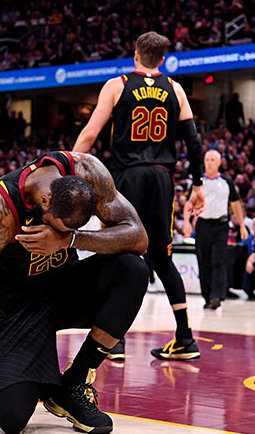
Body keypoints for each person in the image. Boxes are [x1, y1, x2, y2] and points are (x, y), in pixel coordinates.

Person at [0, 151, 149, 434]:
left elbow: (139, 237)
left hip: (65, 287)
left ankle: (74, 381)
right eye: (62, 228)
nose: (66, 234)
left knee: (133, 270)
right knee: (12, 418)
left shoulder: (87, 171)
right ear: (45, 201)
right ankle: (39, 374)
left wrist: (70, 239)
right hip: (16, 306)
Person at [72, 31, 205, 361]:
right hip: (161, 177)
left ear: (135, 55)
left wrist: (68, 166)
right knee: (161, 256)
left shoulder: (117, 85)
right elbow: (194, 142)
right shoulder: (175, 89)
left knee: (116, 251)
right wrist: (198, 184)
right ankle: (185, 336)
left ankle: (113, 340)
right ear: (162, 59)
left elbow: (90, 133)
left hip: (126, 177)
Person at [183, 150, 247, 309]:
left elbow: (236, 203)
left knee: (218, 260)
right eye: (207, 159)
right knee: (203, 261)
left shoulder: (226, 181)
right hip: (203, 225)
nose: (209, 162)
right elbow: (189, 203)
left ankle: (217, 295)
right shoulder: (199, 181)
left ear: (219, 163)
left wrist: (242, 225)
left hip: (221, 226)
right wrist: (186, 222)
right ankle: (208, 296)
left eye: (213, 160)